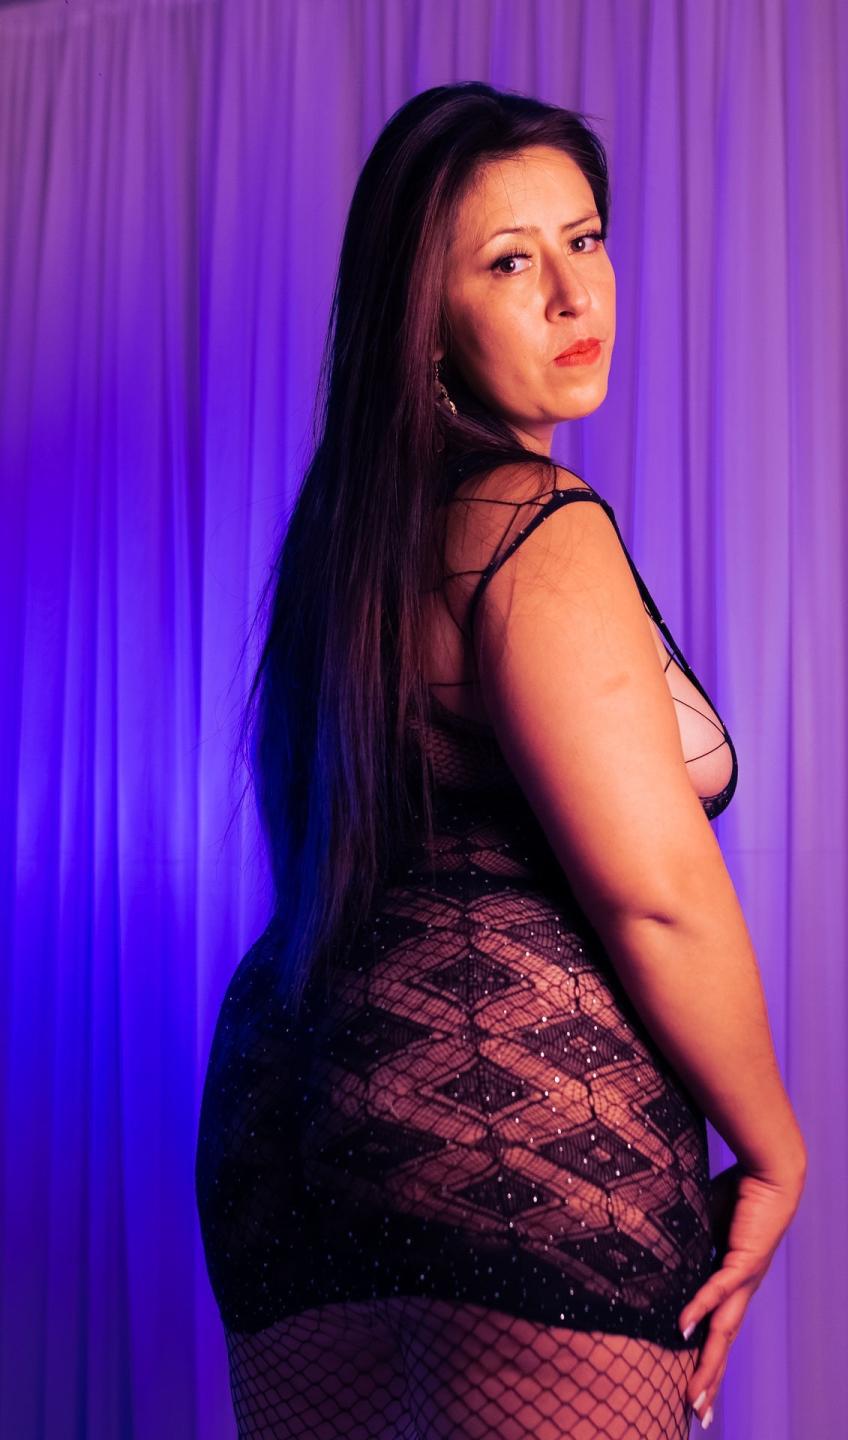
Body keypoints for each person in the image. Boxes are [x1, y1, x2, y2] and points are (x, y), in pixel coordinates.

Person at [195, 80, 807, 1439]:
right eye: (510, 263)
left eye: (584, 241)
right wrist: (773, 1151)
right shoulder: (536, 520)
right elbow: (654, 895)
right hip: (519, 1127)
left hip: (281, 1128)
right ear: (425, 313)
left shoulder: (345, 543)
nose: (575, 295)